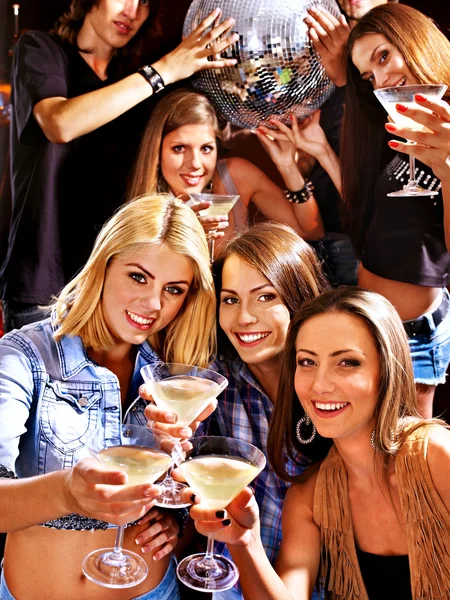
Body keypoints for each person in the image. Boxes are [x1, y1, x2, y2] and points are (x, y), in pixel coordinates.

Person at [0, 194, 216, 600]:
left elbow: (192, 501)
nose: (153, 304)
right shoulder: (25, 356)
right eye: (138, 276)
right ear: (104, 265)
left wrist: (174, 524)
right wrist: (65, 491)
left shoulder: (178, 374)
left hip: (155, 592)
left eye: (173, 289)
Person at [183, 287, 450, 600]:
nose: (320, 385)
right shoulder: (308, 499)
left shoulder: (436, 455)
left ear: (386, 371)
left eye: (348, 363)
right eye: (307, 362)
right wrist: (245, 542)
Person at [0, 0, 238, 333]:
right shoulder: (42, 49)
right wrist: (163, 72)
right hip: (44, 289)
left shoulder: (133, 82)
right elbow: (59, 123)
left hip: (115, 289)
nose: (132, 11)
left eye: (144, 3)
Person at [141, 222, 329, 599]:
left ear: (300, 297)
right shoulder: (217, 384)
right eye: (230, 299)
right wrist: (174, 519)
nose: (243, 318)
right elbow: (191, 486)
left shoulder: (332, 390)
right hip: (232, 583)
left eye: (265, 297)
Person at [128, 88, 325, 252]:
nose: (195, 163)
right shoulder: (141, 213)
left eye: (206, 148)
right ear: (157, 150)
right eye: (179, 148)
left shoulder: (235, 175)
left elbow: (311, 232)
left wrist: (287, 166)